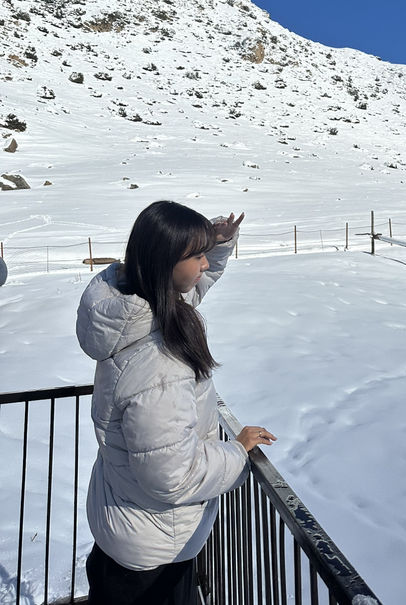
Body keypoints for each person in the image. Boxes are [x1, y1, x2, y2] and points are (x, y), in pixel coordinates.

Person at [76, 200, 276, 605]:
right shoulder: (159, 365)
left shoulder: (135, 308)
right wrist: (236, 451)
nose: (205, 265)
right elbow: (171, 477)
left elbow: (196, 283)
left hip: (127, 527)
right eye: (197, 255)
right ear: (165, 260)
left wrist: (216, 244)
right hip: (153, 556)